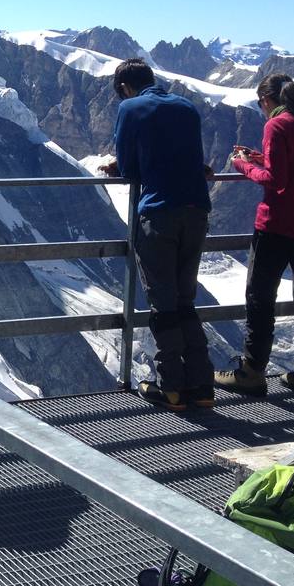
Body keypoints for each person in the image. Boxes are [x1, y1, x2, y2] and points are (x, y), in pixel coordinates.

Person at [99, 59, 214, 411]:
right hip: (197, 210)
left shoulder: (130, 108)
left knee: (162, 304)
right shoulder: (186, 106)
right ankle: (203, 386)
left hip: (159, 213)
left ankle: (172, 388)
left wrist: (121, 165)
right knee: (184, 300)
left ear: (124, 88)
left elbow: (131, 168)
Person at [214, 73, 294, 396]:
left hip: (278, 226)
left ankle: (251, 372)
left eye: (260, 103)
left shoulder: (276, 126)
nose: (261, 109)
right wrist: (257, 155)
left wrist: (242, 165)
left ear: (268, 100)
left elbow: (275, 179)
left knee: (259, 296)